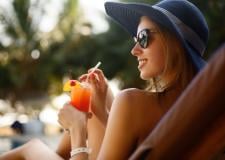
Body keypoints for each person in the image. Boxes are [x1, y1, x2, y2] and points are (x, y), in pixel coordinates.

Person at [0, 0, 209, 159]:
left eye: (143, 38)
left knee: (32, 147)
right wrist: (102, 110)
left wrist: (77, 129)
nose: (134, 50)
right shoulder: (199, 112)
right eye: (136, 40)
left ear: (174, 43)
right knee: (90, 104)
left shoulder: (132, 103)